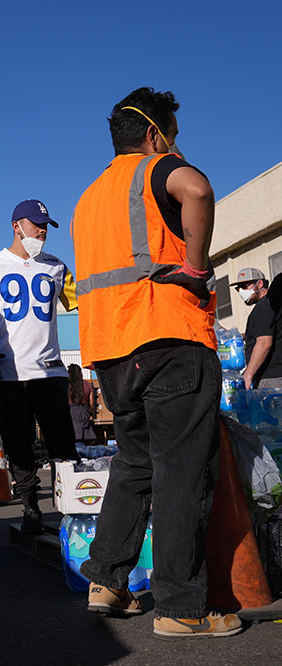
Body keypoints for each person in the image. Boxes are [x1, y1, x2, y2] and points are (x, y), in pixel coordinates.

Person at [71, 87, 241, 638]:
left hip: (112, 351)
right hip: (169, 338)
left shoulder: (89, 197)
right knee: (182, 474)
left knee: (135, 466)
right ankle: (181, 609)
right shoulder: (158, 168)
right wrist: (194, 266)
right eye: (173, 136)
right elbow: (197, 188)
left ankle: (107, 581)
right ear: (154, 133)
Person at [0, 199, 80, 535]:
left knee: (63, 443)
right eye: (36, 224)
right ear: (17, 226)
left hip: (49, 370)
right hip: (10, 372)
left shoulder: (57, 267)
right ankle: (30, 507)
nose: (42, 231)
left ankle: (73, 509)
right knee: (19, 444)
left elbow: (80, 305)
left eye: (45, 225)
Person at [230, 267, 282, 389]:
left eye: (245, 286)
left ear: (260, 283)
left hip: (271, 379)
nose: (241, 291)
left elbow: (264, 342)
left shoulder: (263, 307)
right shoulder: (272, 305)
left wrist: (248, 374)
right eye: (238, 288)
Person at [67, 364, 96, 446]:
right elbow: (91, 404)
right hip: (84, 412)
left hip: (70, 413)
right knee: (85, 440)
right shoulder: (87, 385)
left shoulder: (65, 385)